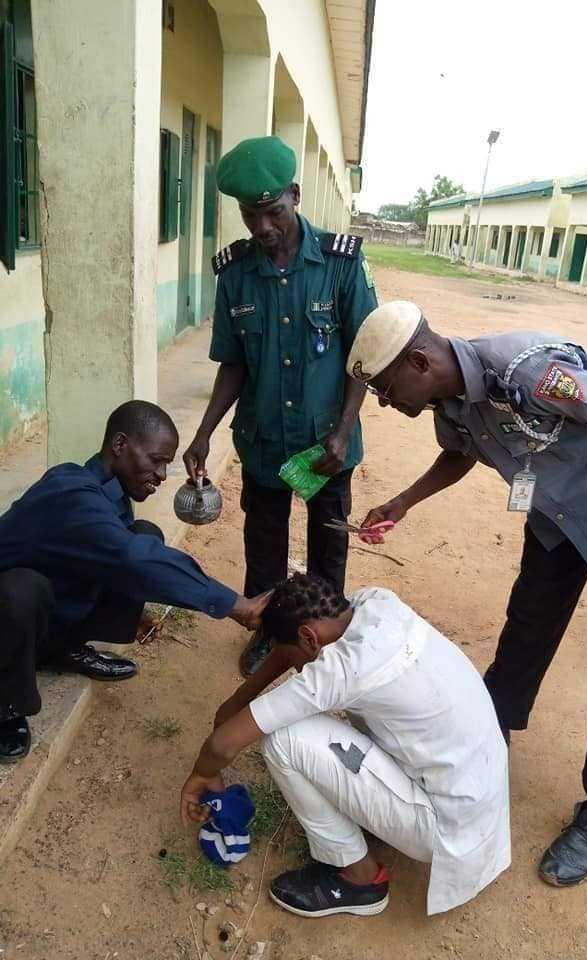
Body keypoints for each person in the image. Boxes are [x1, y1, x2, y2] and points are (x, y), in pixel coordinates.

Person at [349, 301, 587, 887]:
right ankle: (488, 736)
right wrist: (403, 501)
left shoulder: (530, 371)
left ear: (419, 360)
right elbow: (460, 451)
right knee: (525, 631)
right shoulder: (450, 401)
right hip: (558, 518)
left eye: (389, 390)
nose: (389, 405)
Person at [180, 574, 510, 918]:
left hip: (445, 829)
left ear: (308, 637)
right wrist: (239, 699)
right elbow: (289, 649)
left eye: (292, 650)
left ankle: (360, 879)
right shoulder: (375, 602)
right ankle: (383, 817)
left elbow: (222, 745)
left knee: (285, 741)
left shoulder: (342, 671)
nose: (295, 668)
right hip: (480, 800)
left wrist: (202, 776)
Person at [183, 136, 378, 679]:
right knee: (263, 546)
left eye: (273, 212)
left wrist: (342, 433)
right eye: (251, 216)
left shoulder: (339, 265)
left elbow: (364, 357)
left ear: (294, 195)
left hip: (325, 447)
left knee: (327, 549)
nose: (263, 228)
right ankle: (270, 638)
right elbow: (234, 363)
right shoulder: (237, 274)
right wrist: (203, 434)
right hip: (265, 438)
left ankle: (326, 642)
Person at [0, 401, 266, 763]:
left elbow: (116, 559)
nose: (162, 474)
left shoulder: (109, 494)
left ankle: (62, 649)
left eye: (166, 464)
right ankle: (7, 704)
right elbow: (131, 559)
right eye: (157, 460)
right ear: (120, 445)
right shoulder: (71, 493)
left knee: (144, 533)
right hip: (9, 619)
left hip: (46, 613)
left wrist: (135, 607)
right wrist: (236, 604)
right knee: (22, 588)